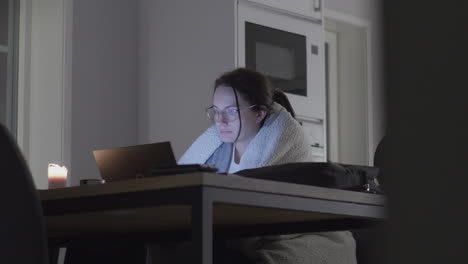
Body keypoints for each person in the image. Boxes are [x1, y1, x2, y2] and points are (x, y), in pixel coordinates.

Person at [174, 68, 357, 264]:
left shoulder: (283, 142)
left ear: (259, 113)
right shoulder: (216, 151)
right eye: (216, 111)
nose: (220, 120)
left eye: (231, 111)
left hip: (287, 233)